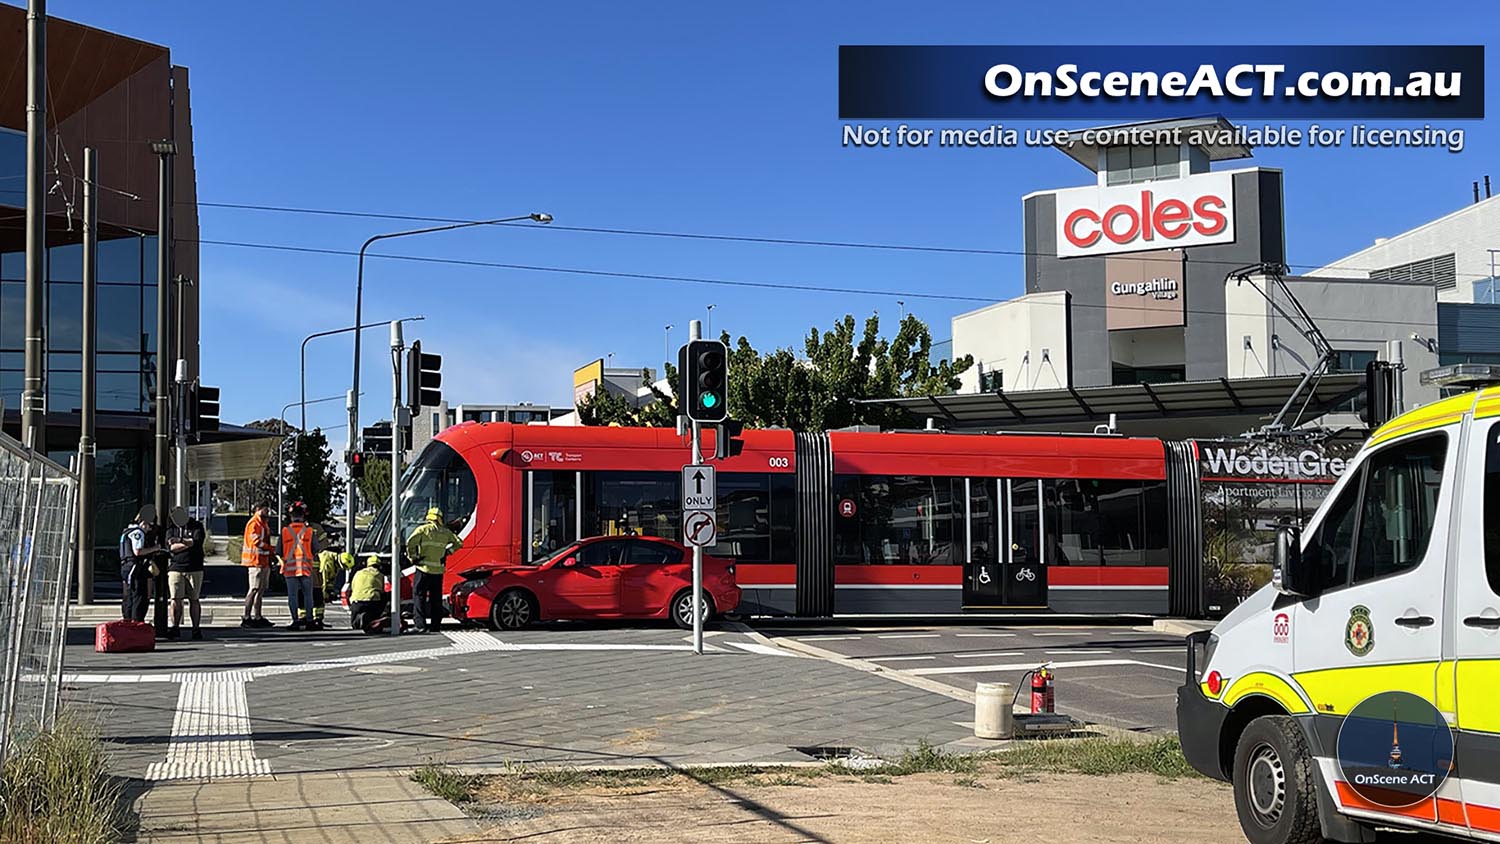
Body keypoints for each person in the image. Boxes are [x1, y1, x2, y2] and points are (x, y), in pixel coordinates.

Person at [404, 507, 462, 633]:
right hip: (438, 571)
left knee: (419, 596)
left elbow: (410, 543)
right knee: (436, 599)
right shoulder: (445, 532)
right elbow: (459, 543)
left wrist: (413, 557)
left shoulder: (423, 529)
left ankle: (420, 625)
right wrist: (448, 552)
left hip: (423, 569)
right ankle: (436, 625)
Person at [164, 506, 207, 640]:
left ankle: (196, 629)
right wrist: (186, 543)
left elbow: (196, 542)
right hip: (176, 568)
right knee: (175, 599)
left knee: (194, 599)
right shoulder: (171, 529)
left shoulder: (197, 526)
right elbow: (171, 547)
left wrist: (180, 541)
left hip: (194, 568)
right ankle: (175, 627)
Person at [280, 501, 320, 631]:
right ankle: (309, 621)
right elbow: (316, 549)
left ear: (291, 516)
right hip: (305, 568)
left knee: (292, 596)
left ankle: (295, 621)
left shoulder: (285, 531)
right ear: (303, 516)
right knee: (308, 595)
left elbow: (279, 551)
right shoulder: (309, 531)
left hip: (290, 569)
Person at [119, 505, 160, 623]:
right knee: (138, 595)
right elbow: (137, 551)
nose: (149, 529)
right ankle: (136, 621)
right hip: (134, 567)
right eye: (150, 525)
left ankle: (127, 620)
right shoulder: (138, 533)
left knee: (128, 595)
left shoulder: (126, 531)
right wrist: (155, 548)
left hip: (125, 566)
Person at [240, 503, 275, 628]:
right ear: (258, 510)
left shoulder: (262, 523)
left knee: (260, 590)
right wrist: (271, 549)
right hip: (255, 561)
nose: (267, 512)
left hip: (263, 561)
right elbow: (256, 542)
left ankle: (258, 616)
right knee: (254, 589)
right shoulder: (254, 523)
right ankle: (246, 617)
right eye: (265, 510)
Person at [348, 555, 388, 634]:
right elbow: (381, 590)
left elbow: (353, 587)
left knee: (354, 625)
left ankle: (357, 620)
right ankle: (373, 619)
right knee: (384, 597)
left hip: (356, 602)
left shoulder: (358, 573)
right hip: (371, 602)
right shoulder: (379, 575)